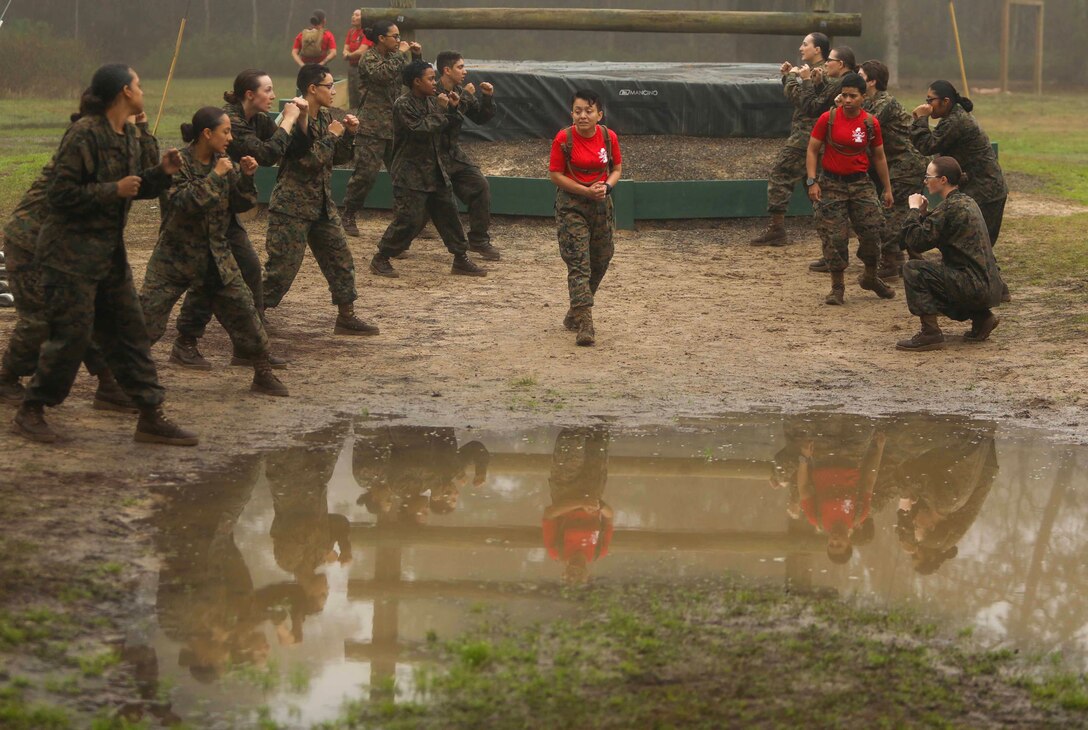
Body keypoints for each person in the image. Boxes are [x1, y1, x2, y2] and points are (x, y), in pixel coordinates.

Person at [12, 64, 196, 445]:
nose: (143, 89)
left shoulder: (127, 134)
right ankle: (32, 409)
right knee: (72, 337)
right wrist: (112, 190)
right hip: (68, 255)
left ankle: (150, 414)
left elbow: (138, 187)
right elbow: (59, 196)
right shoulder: (83, 135)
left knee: (132, 332)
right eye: (139, 84)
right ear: (124, 92)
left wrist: (161, 172)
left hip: (109, 255)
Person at [0, 112, 159, 411]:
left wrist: (143, 128)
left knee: (87, 315)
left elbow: (148, 177)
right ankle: (7, 377)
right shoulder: (87, 145)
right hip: (31, 242)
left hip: (73, 247)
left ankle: (108, 383)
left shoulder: (117, 142)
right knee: (41, 320)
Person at [139, 107, 289, 398]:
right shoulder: (176, 163)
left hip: (215, 257)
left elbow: (241, 205)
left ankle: (262, 373)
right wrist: (218, 176)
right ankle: (118, 380)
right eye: (226, 132)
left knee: (246, 314)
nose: (230, 139)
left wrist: (245, 177)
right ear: (207, 134)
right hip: (175, 257)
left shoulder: (224, 162)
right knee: (146, 321)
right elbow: (184, 204)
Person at [170, 70, 305, 370]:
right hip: (202, 212)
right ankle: (186, 342)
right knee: (206, 278)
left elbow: (288, 148)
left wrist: (303, 119)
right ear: (249, 95)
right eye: (268, 90)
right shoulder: (232, 122)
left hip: (224, 211)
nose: (273, 95)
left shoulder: (257, 119)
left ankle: (250, 347)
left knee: (250, 268)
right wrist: (290, 119)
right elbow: (268, 153)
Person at [262, 64, 378, 336]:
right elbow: (308, 161)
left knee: (340, 260)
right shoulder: (290, 121)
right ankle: (253, 312)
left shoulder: (326, 117)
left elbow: (336, 158)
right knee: (282, 269)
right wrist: (333, 136)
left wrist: (348, 136)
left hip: (322, 205)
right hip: (292, 206)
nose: (334, 91)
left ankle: (346, 316)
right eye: (329, 86)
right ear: (312, 89)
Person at [368, 60, 488, 279]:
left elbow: (447, 130)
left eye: (434, 78)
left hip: (435, 170)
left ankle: (460, 258)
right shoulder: (403, 104)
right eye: (430, 79)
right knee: (409, 220)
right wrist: (443, 111)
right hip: (410, 174)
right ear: (416, 81)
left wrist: (452, 109)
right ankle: (382, 257)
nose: (435, 83)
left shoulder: (433, 102)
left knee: (449, 215)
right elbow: (419, 129)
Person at [910, 80, 1010, 302]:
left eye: (930, 101)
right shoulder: (952, 118)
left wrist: (920, 118)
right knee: (978, 243)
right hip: (983, 189)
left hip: (986, 191)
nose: (927, 105)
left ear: (945, 101)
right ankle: (998, 289)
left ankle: (988, 293)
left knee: (973, 244)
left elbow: (927, 145)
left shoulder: (956, 120)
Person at [896, 156, 1004, 351]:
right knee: (946, 273)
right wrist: (923, 215)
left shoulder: (950, 207)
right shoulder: (966, 201)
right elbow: (936, 231)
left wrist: (913, 210)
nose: (925, 181)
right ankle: (982, 318)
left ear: (943, 180)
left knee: (914, 270)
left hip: (974, 286)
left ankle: (930, 332)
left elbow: (915, 242)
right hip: (989, 285)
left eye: (928, 176)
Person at [806, 72, 896, 305]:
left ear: (863, 98)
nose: (847, 100)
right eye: (844, 95)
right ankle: (837, 287)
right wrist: (812, 181)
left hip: (860, 184)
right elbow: (812, 150)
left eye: (852, 96)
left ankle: (870, 276)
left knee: (872, 231)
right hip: (832, 184)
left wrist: (887, 189)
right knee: (835, 237)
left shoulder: (870, 123)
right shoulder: (828, 119)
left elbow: (879, 156)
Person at [547, 89, 622, 347]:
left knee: (602, 258)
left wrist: (607, 187)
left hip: (602, 205)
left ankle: (574, 312)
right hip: (572, 206)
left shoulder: (609, 137)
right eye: (577, 111)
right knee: (579, 263)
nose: (582, 116)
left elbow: (617, 168)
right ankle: (586, 322)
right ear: (571, 114)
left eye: (588, 111)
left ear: (599, 115)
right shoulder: (563, 139)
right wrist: (585, 190)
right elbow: (555, 175)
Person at [341, 20, 422, 236]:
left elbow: (415, 80)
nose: (398, 40)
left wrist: (416, 57)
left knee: (403, 177)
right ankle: (348, 214)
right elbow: (382, 76)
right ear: (381, 39)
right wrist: (401, 54)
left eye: (398, 36)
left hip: (396, 127)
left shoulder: (397, 57)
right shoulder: (369, 57)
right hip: (372, 126)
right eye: (394, 36)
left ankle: (409, 221)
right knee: (365, 175)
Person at [749, 32, 830, 247]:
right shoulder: (816, 71)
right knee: (813, 184)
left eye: (805, 44)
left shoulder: (817, 73)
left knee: (780, 175)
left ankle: (777, 229)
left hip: (805, 138)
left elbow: (802, 101)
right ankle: (836, 229)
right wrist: (789, 77)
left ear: (818, 49)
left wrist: (792, 77)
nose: (801, 48)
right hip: (814, 137)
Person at [858, 60, 928, 279]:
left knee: (889, 212)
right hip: (899, 165)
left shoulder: (884, 102)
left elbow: (864, 126)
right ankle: (908, 255)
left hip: (907, 165)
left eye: (860, 75)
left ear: (871, 81)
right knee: (898, 212)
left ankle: (892, 260)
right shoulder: (869, 102)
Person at [435, 50, 501, 261]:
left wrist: (487, 98)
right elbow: (440, 121)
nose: (465, 71)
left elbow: (480, 117)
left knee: (479, 185)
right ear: (447, 70)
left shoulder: (461, 90)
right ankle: (391, 248)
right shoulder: (431, 91)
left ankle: (479, 240)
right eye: (460, 67)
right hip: (429, 155)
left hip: (452, 153)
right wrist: (464, 97)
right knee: (421, 207)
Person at [543, 427, 613, 585]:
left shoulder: (557, 551)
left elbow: (549, 514)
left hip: (564, 489)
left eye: (570, 575)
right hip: (593, 489)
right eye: (578, 575)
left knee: (572, 435)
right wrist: (599, 505)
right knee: (599, 435)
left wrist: (580, 503)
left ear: (564, 572)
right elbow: (609, 518)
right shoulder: (598, 552)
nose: (575, 571)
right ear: (587, 574)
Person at [343, 9, 372, 112]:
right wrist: (348, 55)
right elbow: (345, 48)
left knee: (361, 93)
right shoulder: (351, 32)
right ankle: (352, 114)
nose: (353, 17)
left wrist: (348, 55)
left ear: (363, 18)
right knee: (352, 92)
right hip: (352, 67)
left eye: (357, 15)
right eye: (353, 14)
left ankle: (362, 115)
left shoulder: (366, 32)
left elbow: (361, 51)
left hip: (362, 67)